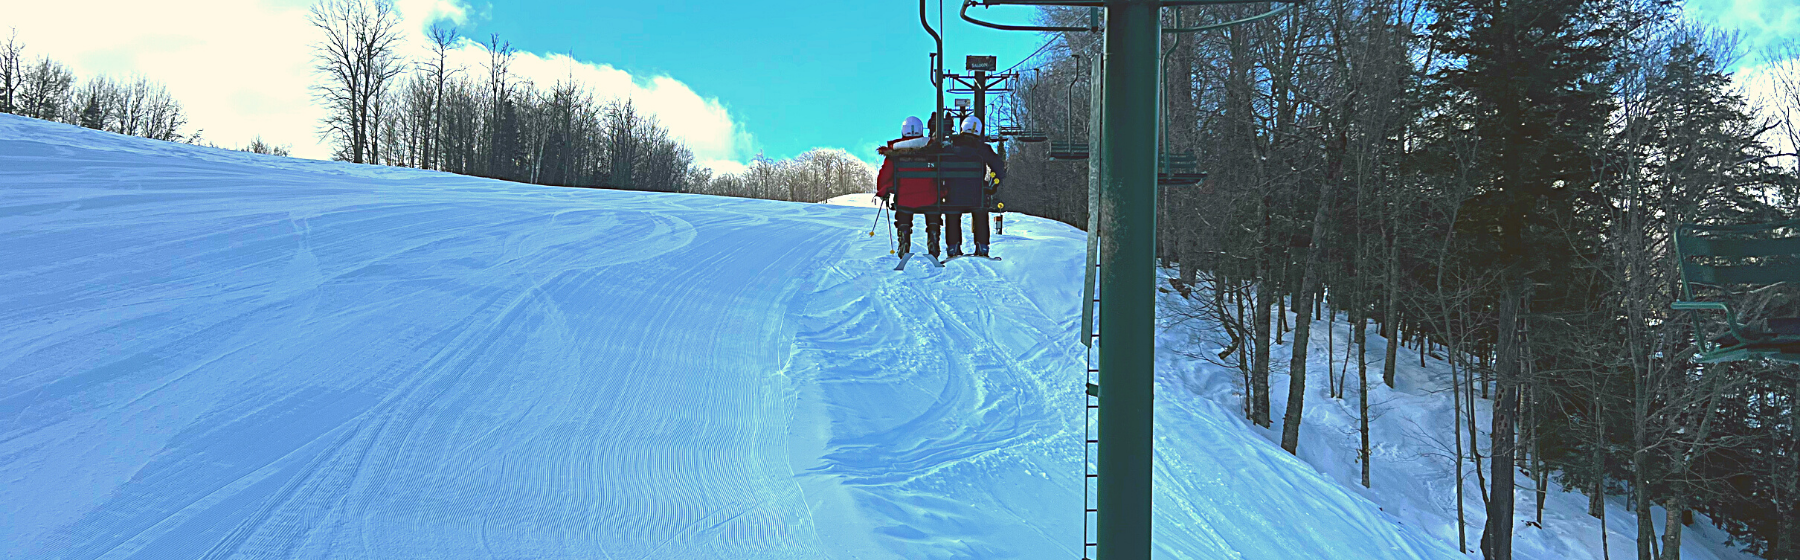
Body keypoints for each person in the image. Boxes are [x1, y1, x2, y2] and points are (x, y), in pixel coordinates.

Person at [875, 116, 944, 258]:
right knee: (933, 208)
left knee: (903, 210)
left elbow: (885, 176)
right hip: (930, 198)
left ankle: (904, 237)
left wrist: (885, 190)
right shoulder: (933, 150)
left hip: (905, 200)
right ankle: (933, 236)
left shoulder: (894, 153)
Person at [940, 116, 1006, 257]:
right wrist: (991, 187)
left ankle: (953, 246)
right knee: (981, 211)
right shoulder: (983, 149)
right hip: (976, 195)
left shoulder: (949, 147)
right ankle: (982, 246)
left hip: (953, 195)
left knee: (952, 213)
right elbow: (999, 169)